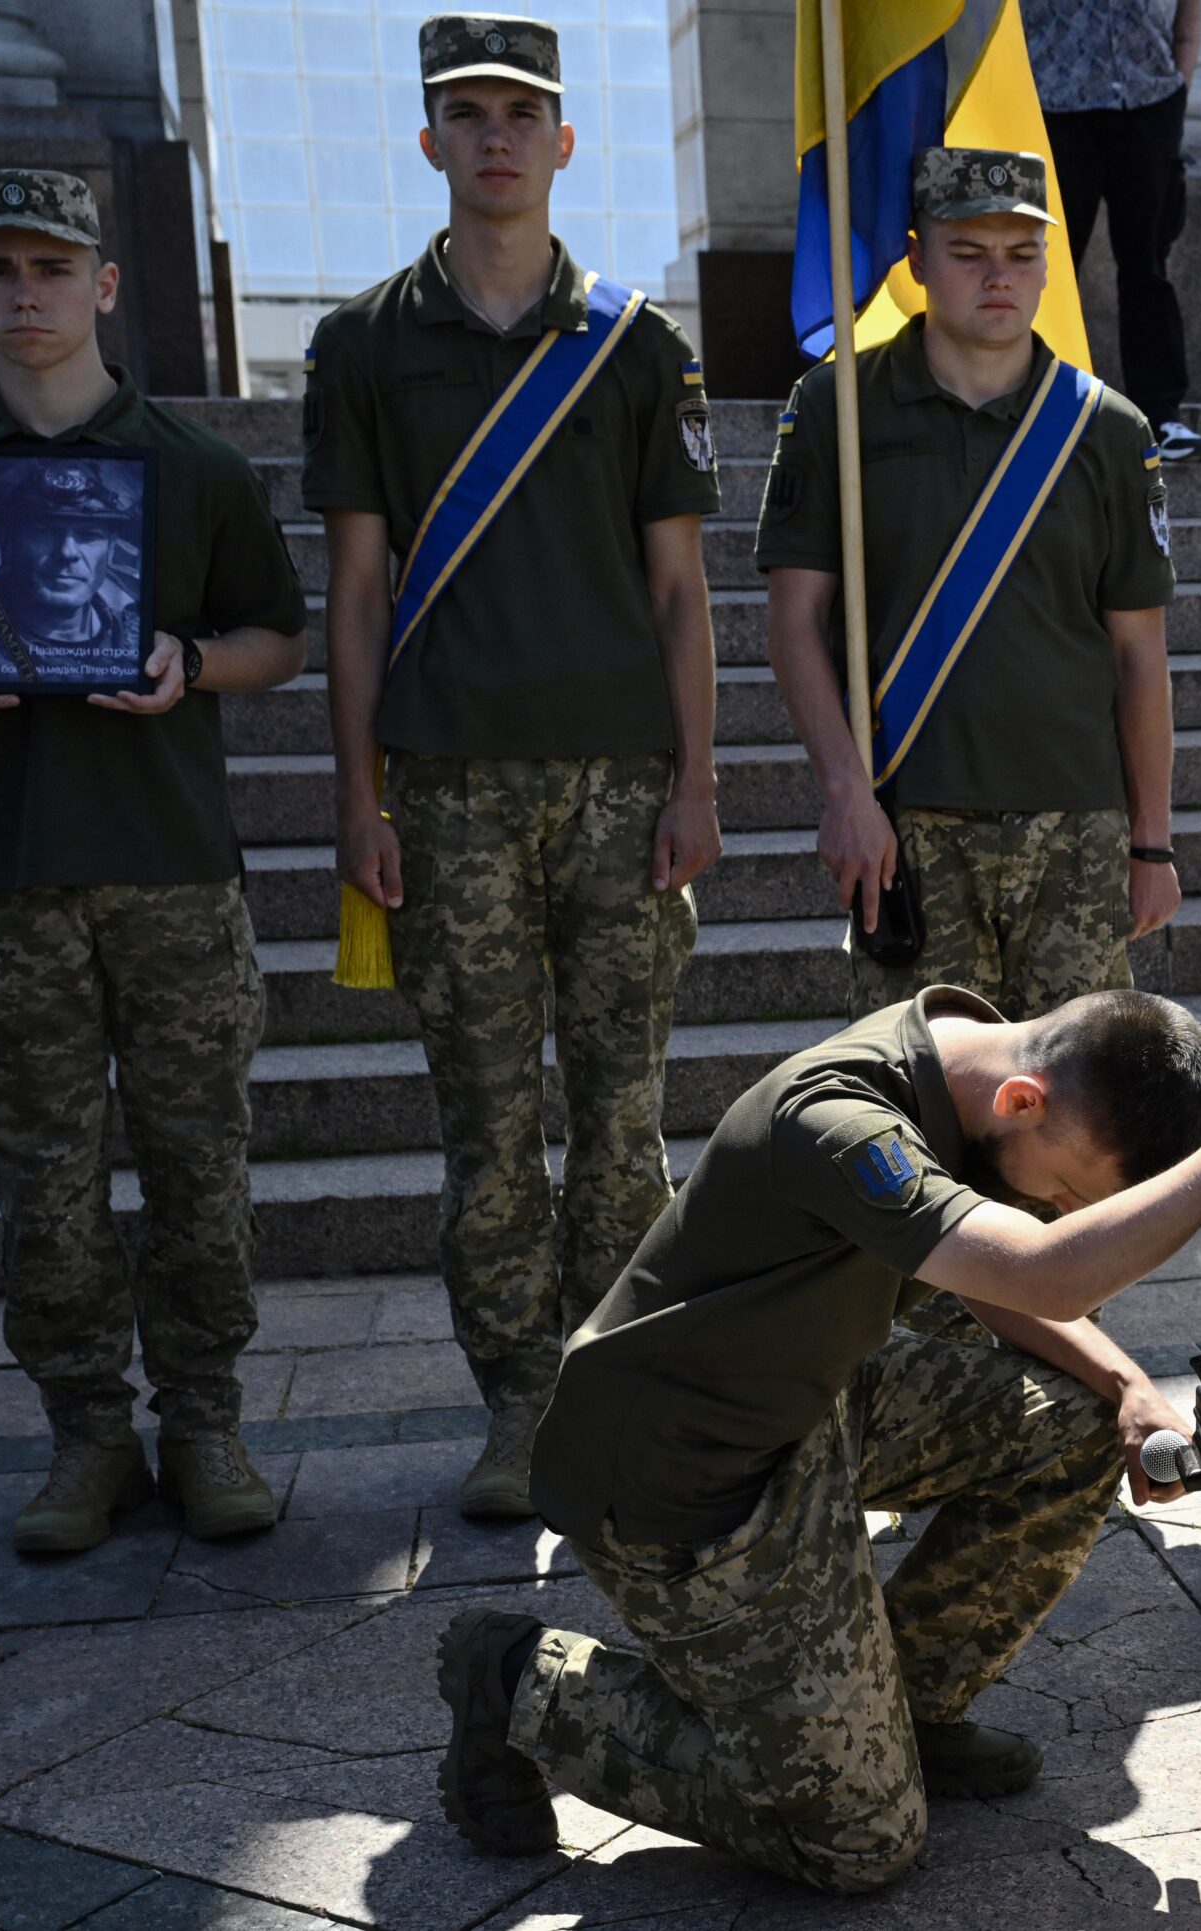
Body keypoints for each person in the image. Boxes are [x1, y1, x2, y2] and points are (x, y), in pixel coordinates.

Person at [432, 988, 1201, 1893]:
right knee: (860, 1842)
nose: (1057, 1207)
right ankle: (520, 1684)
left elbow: (993, 1273)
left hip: (806, 1398)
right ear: (1023, 1099)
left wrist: (1130, 1386)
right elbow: (1042, 1271)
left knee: (1077, 1423)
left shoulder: (968, 1074)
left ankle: (901, 1714)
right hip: (679, 1474)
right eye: (1065, 1190)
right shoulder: (838, 1120)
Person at [0, 170, 309, 1552]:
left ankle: (207, 1417)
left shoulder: (196, 465)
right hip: (2, 868)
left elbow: (274, 637)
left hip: (170, 867)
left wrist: (189, 663)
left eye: (54, 265)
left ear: (108, 283)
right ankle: (87, 1434)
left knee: (197, 1162)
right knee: (40, 1173)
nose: (28, 291)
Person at [304, 13, 722, 1521]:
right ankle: (517, 1407)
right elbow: (353, 593)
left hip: (620, 782)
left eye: (520, 112)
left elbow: (681, 589)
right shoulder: (361, 345)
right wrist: (356, 797)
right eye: (464, 112)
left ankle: (612, 1396)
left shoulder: (635, 343)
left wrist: (699, 780)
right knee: (486, 1124)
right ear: (430, 142)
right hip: (449, 785)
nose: (493, 136)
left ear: (562, 142)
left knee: (622, 1119)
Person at [758, 148, 1179, 1028]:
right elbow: (796, 622)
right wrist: (846, 795)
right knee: (929, 1110)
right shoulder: (838, 408)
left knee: (1077, 1122)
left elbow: (1139, 654)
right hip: (909, 825)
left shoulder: (1107, 431)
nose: (999, 276)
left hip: (1077, 828)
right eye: (968, 251)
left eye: (1022, 254)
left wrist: (1151, 840)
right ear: (916, 259)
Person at [1020, 0, 1201, 462]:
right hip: (1055, 99)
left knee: (1147, 264)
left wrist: (1179, 86)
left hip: (1147, 100)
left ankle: (1161, 413)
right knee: (1049, 265)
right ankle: (1031, 404)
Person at [0, 460, 144, 682]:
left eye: (88, 536)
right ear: (9, 542)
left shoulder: (139, 640)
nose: (67, 552)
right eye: (44, 532)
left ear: (111, 547)